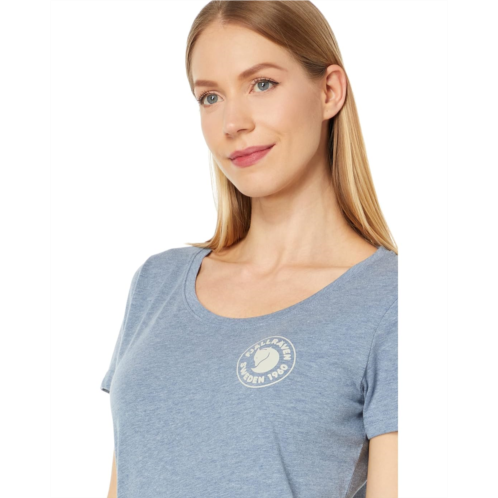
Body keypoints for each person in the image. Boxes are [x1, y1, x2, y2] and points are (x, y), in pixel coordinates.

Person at [100, 1, 398, 497]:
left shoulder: (393, 301)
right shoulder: (158, 283)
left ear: (329, 91)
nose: (232, 122)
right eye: (210, 96)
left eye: (262, 84)